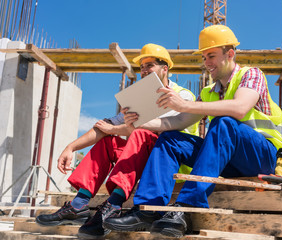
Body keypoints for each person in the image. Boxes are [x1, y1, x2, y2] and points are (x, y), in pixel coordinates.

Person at [103, 25, 282, 238]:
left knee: (223, 121)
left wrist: (185, 105)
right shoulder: (208, 92)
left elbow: (240, 107)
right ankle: (148, 210)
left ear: (230, 54)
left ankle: (186, 207)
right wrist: (138, 124)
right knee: (170, 139)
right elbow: (178, 121)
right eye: (204, 57)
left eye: (211, 56)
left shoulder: (251, 75)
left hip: (261, 157)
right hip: (228, 162)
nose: (207, 63)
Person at [35, 43, 198, 239]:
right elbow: (105, 126)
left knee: (141, 133)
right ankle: (78, 204)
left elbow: (160, 127)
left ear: (165, 68)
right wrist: (72, 147)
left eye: (150, 65)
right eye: (142, 67)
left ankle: (114, 203)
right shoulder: (141, 99)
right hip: (142, 158)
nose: (144, 70)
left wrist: (117, 128)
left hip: (169, 163)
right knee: (109, 142)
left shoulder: (182, 95)